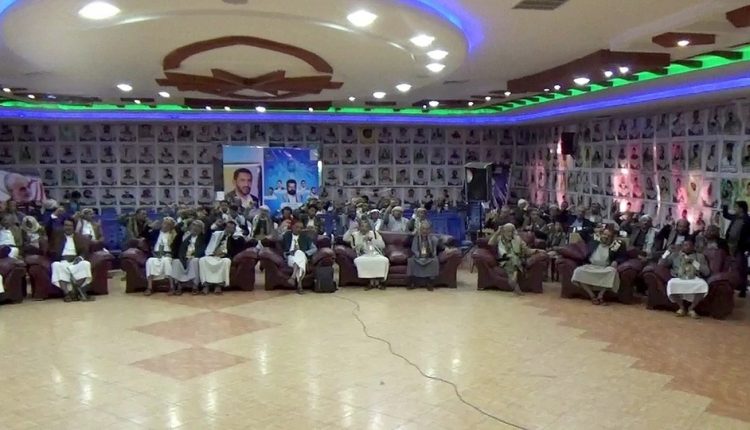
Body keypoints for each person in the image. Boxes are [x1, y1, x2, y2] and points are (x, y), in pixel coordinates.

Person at [571, 228, 627, 305]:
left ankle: (600, 295)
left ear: (613, 237)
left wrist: (616, 261)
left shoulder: (617, 245)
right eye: (604, 234)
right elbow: (581, 232)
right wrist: (594, 229)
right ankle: (592, 296)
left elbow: (623, 256)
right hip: (590, 266)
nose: (606, 237)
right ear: (601, 234)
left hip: (605, 268)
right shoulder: (594, 240)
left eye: (609, 236)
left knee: (613, 272)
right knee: (578, 271)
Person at [660, 239, 710, 318]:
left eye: (690, 245)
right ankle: (681, 307)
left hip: (694, 278)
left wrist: (693, 262)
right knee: (671, 284)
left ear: (693, 247)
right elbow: (661, 264)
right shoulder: (675, 255)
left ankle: (691, 308)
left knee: (703, 285)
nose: (687, 247)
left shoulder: (700, 256)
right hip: (679, 277)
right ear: (682, 247)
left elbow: (706, 272)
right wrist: (667, 252)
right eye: (685, 245)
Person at [489, 223, 541, 295]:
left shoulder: (518, 239)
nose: (509, 233)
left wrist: (536, 250)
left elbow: (526, 250)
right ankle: (515, 276)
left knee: (513, 259)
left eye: (511, 231)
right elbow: (490, 243)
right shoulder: (500, 238)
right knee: (511, 260)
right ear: (503, 231)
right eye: (507, 231)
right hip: (504, 260)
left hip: (517, 260)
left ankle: (514, 280)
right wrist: (497, 232)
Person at [51, 219, 94, 302]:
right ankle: (67, 294)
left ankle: (75, 291)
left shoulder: (79, 238)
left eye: (70, 225)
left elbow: (85, 251)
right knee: (55, 265)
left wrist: (80, 258)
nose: (68, 227)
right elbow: (49, 228)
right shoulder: (57, 237)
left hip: (75, 261)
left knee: (86, 264)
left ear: (74, 227)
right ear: (63, 227)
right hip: (63, 262)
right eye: (66, 225)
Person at [199, 220, 244, 295]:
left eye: (231, 228)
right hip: (212, 255)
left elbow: (236, 249)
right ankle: (205, 285)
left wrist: (233, 236)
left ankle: (219, 285)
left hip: (223, 257)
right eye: (227, 227)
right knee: (202, 260)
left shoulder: (234, 238)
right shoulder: (216, 234)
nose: (228, 229)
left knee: (227, 261)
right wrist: (215, 225)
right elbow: (207, 235)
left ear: (234, 230)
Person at [344, 219, 389, 290]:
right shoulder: (354, 235)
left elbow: (382, 245)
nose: (364, 228)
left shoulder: (375, 233)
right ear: (359, 227)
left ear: (369, 227)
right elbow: (345, 239)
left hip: (375, 254)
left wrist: (373, 240)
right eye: (362, 226)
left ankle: (377, 282)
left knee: (384, 260)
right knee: (360, 261)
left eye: (366, 226)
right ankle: (371, 282)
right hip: (363, 255)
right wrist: (362, 239)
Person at [722, 201, 750, 297]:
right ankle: (732, 286)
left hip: (741, 247)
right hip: (730, 245)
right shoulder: (735, 217)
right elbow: (725, 215)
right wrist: (725, 204)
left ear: (741, 209)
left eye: (736, 207)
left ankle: (743, 289)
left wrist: (748, 249)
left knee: (741, 268)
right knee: (731, 266)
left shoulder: (748, 220)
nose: (735, 209)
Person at [282, 220, 318, 294]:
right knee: (300, 261)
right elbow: (276, 238)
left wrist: (305, 253)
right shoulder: (286, 235)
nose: (299, 229)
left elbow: (314, 249)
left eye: (301, 228)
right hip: (290, 256)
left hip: (303, 256)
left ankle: (293, 276)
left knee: (299, 253)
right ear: (292, 227)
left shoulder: (305, 237)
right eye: (297, 227)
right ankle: (299, 285)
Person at [144, 218, 178, 296]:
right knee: (149, 261)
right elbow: (144, 234)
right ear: (161, 224)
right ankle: (149, 287)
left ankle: (172, 287)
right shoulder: (155, 233)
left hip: (167, 255)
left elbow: (176, 248)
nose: (166, 226)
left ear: (171, 227)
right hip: (156, 255)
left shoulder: (174, 235)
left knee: (166, 260)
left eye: (168, 224)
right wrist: (150, 226)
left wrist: (171, 254)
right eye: (164, 223)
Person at [172, 220, 206, 295]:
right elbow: (181, 249)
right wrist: (183, 258)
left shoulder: (203, 238)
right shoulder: (186, 237)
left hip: (195, 257)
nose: (195, 228)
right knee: (176, 262)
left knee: (194, 261)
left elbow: (203, 250)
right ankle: (179, 286)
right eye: (194, 225)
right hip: (185, 257)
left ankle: (195, 286)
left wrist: (193, 256)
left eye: (198, 226)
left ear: (201, 229)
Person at [407, 221, 440, 290]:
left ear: (430, 230)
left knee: (435, 261)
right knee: (411, 261)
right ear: (420, 229)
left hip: (429, 257)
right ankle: (412, 282)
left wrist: (448, 248)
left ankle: (430, 282)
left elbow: (439, 247)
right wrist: (419, 255)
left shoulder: (433, 238)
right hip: (418, 256)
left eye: (427, 229)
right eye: (423, 229)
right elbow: (414, 248)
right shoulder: (416, 237)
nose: (425, 231)